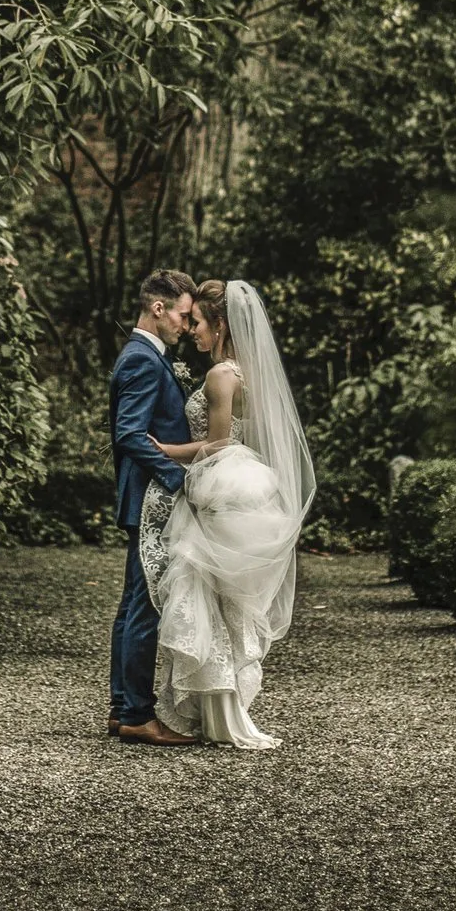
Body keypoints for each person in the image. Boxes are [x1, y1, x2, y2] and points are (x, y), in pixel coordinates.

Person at [139, 278, 316, 748]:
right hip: (246, 485)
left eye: (197, 322)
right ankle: (220, 707)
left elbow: (218, 444)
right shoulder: (248, 373)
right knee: (228, 603)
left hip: (221, 482)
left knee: (206, 595)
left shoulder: (222, 375)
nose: (191, 330)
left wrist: (167, 449)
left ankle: (210, 711)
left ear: (219, 325)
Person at [108, 268, 203, 746]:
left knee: (133, 604)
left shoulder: (147, 355)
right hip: (151, 496)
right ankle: (138, 715)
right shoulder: (143, 359)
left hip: (142, 493)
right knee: (144, 606)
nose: (187, 327)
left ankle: (122, 707)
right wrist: (178, 477)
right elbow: (129, 434)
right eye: (184, 317)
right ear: (159, 308)